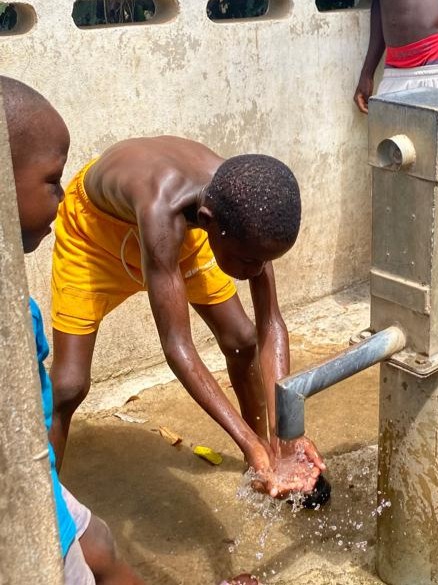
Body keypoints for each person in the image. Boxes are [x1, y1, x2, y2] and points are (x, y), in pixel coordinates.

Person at [48, 135, 326, 499]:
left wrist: (286, 434)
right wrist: (245, 443)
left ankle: (269, 455)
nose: (256, 270)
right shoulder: (167, 209)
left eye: (265, 260)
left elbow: (270, 323)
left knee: (242, 340)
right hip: (96, 236)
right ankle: (45, 505)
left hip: (181, 231)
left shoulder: (247, 205)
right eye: (247, 261)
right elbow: (178, 347)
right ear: (209, 223)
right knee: (68, 385)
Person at [2, 75, 145, 583]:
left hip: (36, 477)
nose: (62, 198)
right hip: (16, 499)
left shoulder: (17, 304)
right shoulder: (11, 322)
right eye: (52, 179)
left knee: (99, 542)